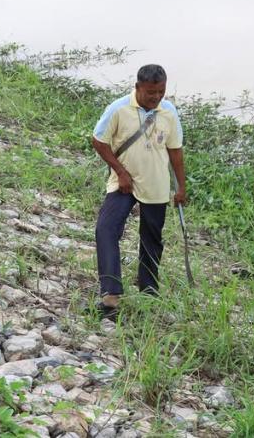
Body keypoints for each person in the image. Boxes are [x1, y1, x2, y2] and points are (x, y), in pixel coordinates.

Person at [91, 64, 187, 318]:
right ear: (137, 88)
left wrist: (181, 187)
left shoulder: (169, 112)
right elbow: (98, 141)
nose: (156, 97)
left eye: (161, 92)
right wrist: (120, 172)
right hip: (125, 182)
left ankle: (149, 290)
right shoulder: (118, 109)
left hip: (156, 183)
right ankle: (111, 295)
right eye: (150, 92)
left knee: (152, 239)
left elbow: (175, 151)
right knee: (106, 229)